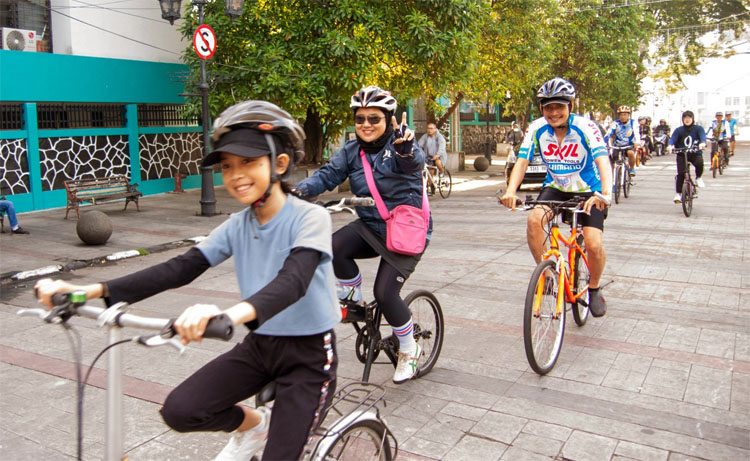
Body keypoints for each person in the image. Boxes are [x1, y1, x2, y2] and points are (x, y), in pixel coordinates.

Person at [35, 100, 341, 461]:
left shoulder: (309, 218)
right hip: (260, 347)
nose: (235, 174)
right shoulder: (237, 225)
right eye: (227, 166)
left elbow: (294, 280)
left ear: (279, 164)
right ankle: (257, 425)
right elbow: (181, 267)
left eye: (248, 162)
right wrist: (87, 291)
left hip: (309, 356)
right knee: (181, 410)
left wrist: (228, 315)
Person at [295, 85, 430, 384]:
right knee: (333, 246)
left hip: (404, 234)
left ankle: (409, 348)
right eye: (360, 119)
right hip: (371, 226)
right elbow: (329, 175)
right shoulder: (351, 150)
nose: (366, 124)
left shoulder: (400, 144)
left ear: (388, 120)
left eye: (374, 118)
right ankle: (353, 296)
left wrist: (406, 151)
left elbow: (413, 164)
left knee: (385, 293)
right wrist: (298, 191)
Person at [500, 77, 612, 317]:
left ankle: (594, 289)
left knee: (593, 243)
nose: (553, 112)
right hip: (556, 187)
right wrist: (511, 191)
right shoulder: (536, 128)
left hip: (588, 190)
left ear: (570, 106)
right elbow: (522, 161)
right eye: (548, 107)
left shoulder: (585, 127)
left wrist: (605, 193)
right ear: (542, 108)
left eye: (559, 106)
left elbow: (603, 160)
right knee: (534, 221)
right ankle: (548, 274)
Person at [667, 110, 706, 203]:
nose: (687, 120)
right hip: (682, 154)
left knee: (699, 163)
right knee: (681, 173)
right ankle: (678, 194)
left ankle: (698, 178)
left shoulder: (698, 128)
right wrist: (670, 145)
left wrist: (702, 143)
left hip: (695, 153)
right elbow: (673, 139)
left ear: (693, 119)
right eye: (685, 118)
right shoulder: (679, 130)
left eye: (689, 118)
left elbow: (702, 137)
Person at [604, 105, 640, 177]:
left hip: (628, 145)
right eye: (621, 115)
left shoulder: (633, 123)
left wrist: (637, 142)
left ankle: (632, 169)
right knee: (612, 161)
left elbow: (636, 133)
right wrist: (603, 141)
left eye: (625, 114)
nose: (623, 117)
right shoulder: (615, 123)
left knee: (630, 153)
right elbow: (609, 133)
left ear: (628, 115)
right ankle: (612, 179)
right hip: (617, 146)